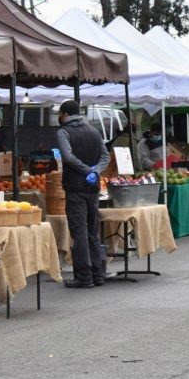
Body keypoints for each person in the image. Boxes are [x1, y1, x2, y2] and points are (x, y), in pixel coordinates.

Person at [56, 100, 111, 288]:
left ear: (64, 114)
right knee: (92, 231)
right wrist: (96, 172)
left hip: (75, 187)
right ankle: (98, 274)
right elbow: (106, 156)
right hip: (93, 188)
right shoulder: (93, 131)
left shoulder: (63, 132)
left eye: (60, 114)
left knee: (79, 231)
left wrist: (88, 171)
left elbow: (68, 157)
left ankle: (84, 276)